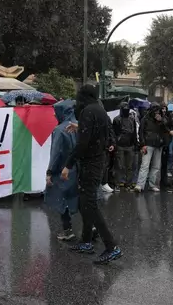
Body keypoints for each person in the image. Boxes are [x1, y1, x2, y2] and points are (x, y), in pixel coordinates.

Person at [64, 85, 121, 264]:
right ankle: (86, 241)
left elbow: (83, 144)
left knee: (90, 205)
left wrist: (68, 165)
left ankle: (112, 247)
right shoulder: (99, 109)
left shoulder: (87, 111)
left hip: (91, 163)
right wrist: (79, 126)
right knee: (85, 202)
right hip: (98, 161)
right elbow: (97, 131)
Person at [46, 100, 80, 241]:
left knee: (62, 199)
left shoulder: (59, 130)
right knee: (80, 199)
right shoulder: (80, 126)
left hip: (63, 170)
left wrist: (49, 172)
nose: (54, 115)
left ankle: (68, 230)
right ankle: (92, 227)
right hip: (79, 169)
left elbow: (56, 153)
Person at [134, 103, 168, 192]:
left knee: (156, 166)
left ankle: (151, 185)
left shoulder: (162, 119)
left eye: (158, 110)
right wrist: (143, 144)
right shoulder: (145, 119)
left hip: (158, 144)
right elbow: (141, 132)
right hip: (148, 144)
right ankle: (140, 185)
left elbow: (166, 130)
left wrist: (161, 121)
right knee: (145, 165)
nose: (157, 112)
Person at [112, 102, 138, 191]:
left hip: (130, 145)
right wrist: (115, 143)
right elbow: (114, 133)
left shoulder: (132, 119)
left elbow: (134, 132)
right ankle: (118, 183)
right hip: (120, 145)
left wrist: (135, 144)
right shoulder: (116, 119)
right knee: (120, 166)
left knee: (129, 166)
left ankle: (128, 183)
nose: (126, 110)